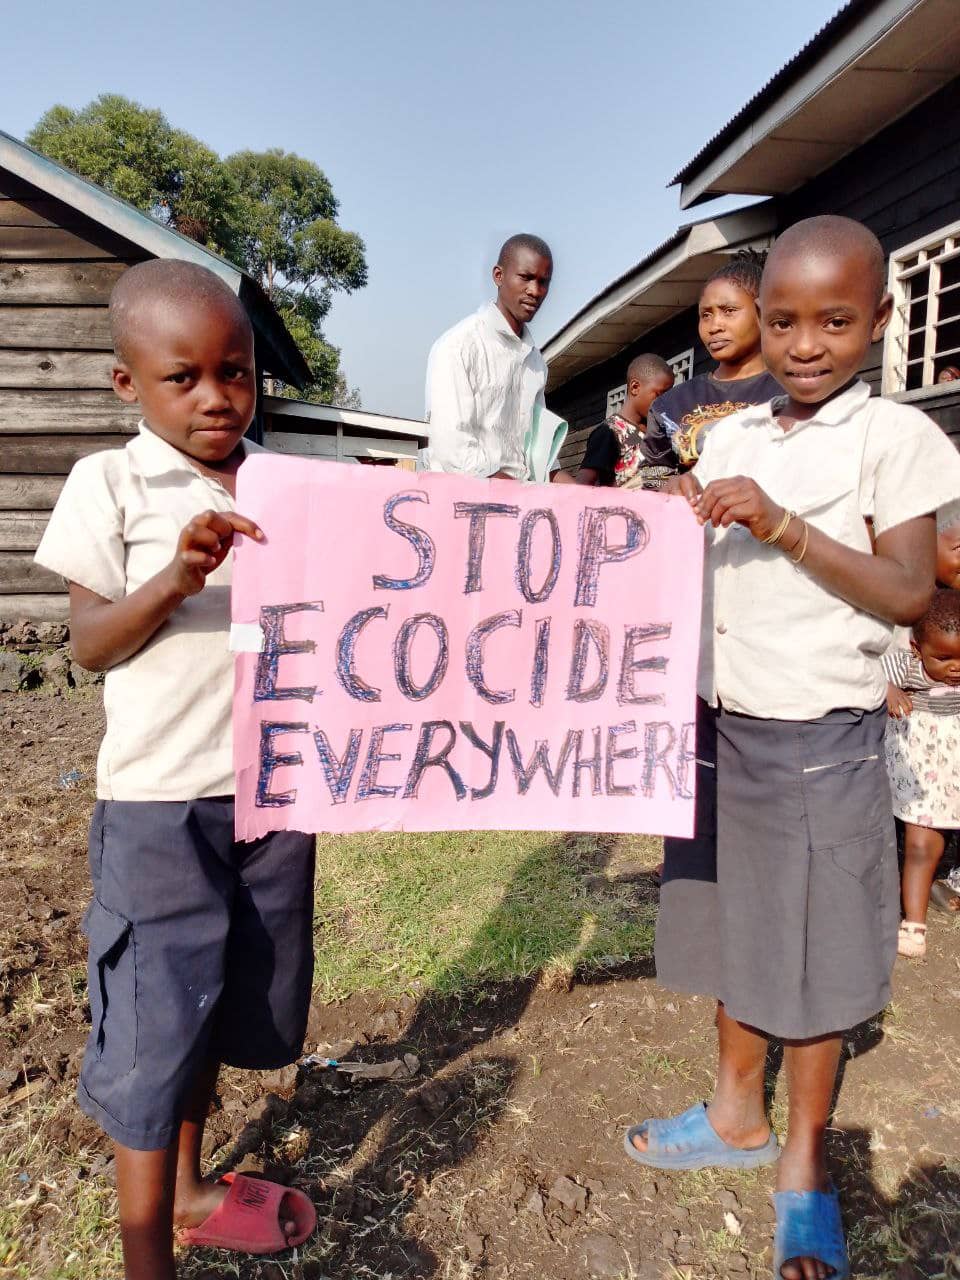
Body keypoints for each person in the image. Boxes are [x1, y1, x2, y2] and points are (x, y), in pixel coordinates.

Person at [627, 216, 960, 1280]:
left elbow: (911, 589)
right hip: (722, 721)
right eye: (783, 320)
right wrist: (676, 512)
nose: (806, 342)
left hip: (822, 735)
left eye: (835, 320)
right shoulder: (730, 435)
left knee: (813, 948)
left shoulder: (896, 439)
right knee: (730, 920)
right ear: (755, 325)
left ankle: (805, 1164)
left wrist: (782, 526)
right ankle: (735, 1110)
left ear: (880, 319)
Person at [34, 260, 318, 1280]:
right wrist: (175, 574)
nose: (216, 398)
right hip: (160, 808)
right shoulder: (108, 483)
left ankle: (195, 1188)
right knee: (155, 1025)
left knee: (228, 1002)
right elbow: (91, 643)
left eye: (235, 373)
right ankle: (144, 1255)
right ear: (128, 385)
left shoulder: (285, 483)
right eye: (183, 377)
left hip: (273, 793)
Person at [425, 233, 553, 480]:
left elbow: (540, 448)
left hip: (522, 506)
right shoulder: (459, 346)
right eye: (525, 277)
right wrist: (513, 490)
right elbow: (452, 450)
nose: (535, 291)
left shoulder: (535, 361)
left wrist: (581, 493)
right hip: (465, 506)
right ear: (498, 276)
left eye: (543, 282)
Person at [645, 249, 782, 469]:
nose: (714, 326)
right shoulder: (670, 405)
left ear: (762, 312)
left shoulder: (793, 392)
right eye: (706, 314)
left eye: (728, 311)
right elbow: (652, 481)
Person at [883, 588, 960, 954]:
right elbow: (866, 671)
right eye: (943, 658)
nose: (955, 668)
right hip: (922, 766)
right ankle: (914, 922)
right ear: (917, 649)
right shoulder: (907, 666)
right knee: (920, 842)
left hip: (954, 767)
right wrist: (888, 691)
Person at [563, 354, 675, 488]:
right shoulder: (609, 432)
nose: (664, 401)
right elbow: (584, 485)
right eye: (659, 394)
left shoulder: (660, 430)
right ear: (635, 387)